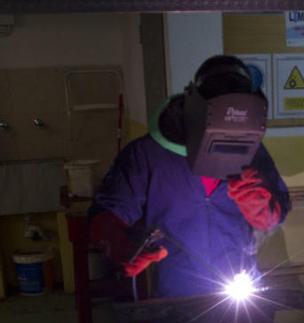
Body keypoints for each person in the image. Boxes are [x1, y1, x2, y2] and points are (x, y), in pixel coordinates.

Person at [90, 55, 290, 299]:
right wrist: (119, 244)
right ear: (195, 109)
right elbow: (107, 213)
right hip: (179, 295)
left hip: (242, 289)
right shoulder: (146, 155)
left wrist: (265, 210)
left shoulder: (253, 151)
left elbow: (276, 214)